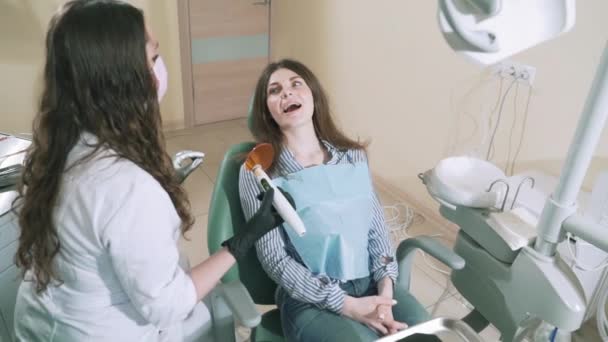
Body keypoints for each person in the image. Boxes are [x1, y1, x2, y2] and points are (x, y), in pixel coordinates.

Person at [13, 1, 283, 341]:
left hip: (43, 318)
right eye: (153, 58)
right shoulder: (127, 189)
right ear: (121, 79)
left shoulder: (56, 147)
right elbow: (168, 306)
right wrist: (239, 244)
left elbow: (102, 212)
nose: (160, 69)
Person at [239, 59, 432, 341]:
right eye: (275, 90)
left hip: (369, 281)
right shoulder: (260, 172)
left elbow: (377, 231)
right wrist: (346, 305)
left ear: (313, 95)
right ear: (267, 110)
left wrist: (385, 295)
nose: (287, 93)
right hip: (308, 298)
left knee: (424, 332)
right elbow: (275, 259)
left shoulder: (353, 157)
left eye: (296, 84)